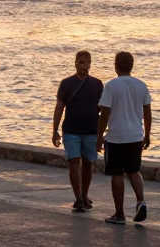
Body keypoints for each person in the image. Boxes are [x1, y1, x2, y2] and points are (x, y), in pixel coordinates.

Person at [96, 51, 152, 225]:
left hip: (116, 137)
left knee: (117, 174)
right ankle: (140, 200)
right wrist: (147, 134)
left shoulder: (112, 86)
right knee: (134, 171)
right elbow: (147, 113)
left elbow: (104, 113)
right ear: (132, 66)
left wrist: (99, 136)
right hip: (136, 136)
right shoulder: (141, 86)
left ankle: (119, 214)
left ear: (115, 65)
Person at [52, 50, 104, 213]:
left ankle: (85, 194)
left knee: (88, 164)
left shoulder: (97, 84)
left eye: (88, 62)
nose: (85, 65)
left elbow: (103, 109)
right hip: (71, 131)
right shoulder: (66, 84)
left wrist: (101, 134)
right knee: (74, 163)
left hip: (91, 130)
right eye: (82, 62)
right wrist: (54, 131)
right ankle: (79, 198)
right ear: (75, 63)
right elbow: (60, 106)